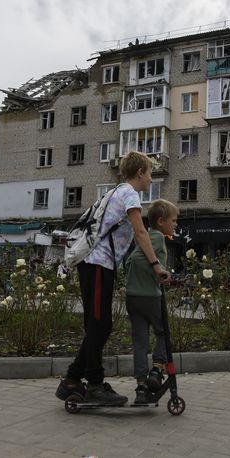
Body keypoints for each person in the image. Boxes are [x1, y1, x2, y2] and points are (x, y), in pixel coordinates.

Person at [55, 151, 170, 406]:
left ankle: (73, 380)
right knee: (99, 324)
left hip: (99, 265)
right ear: (140, 172)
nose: (151, 179)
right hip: (97, 263)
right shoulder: (129, 193)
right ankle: (93, 385)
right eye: (150, 173)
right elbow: (140, 232)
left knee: (99, 324)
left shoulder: (116, 191)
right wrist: (156, 265)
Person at [125, 199, 178, 404]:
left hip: (133, 296)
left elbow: (130, 260)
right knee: (163, 332)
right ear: (161, 221)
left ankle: (141, 386)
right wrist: (158, 273)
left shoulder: (145, 238)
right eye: (173, 220)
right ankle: (156, 370)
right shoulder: (155, 236)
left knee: (140, 341)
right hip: (149, 296)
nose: (176, 224)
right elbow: (139, 260)